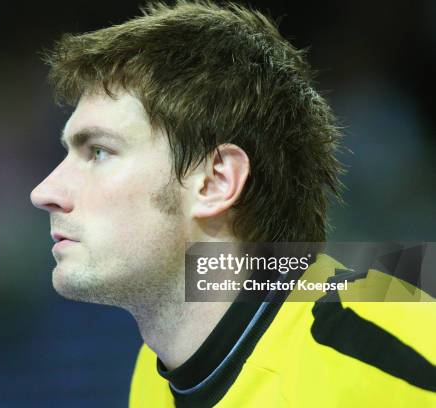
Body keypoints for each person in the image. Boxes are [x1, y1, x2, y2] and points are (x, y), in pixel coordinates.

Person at [30, 1, 436, 406]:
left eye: (99, 151)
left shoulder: (393, 348)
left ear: (215, 182)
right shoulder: (155, 376)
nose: (44, 191)